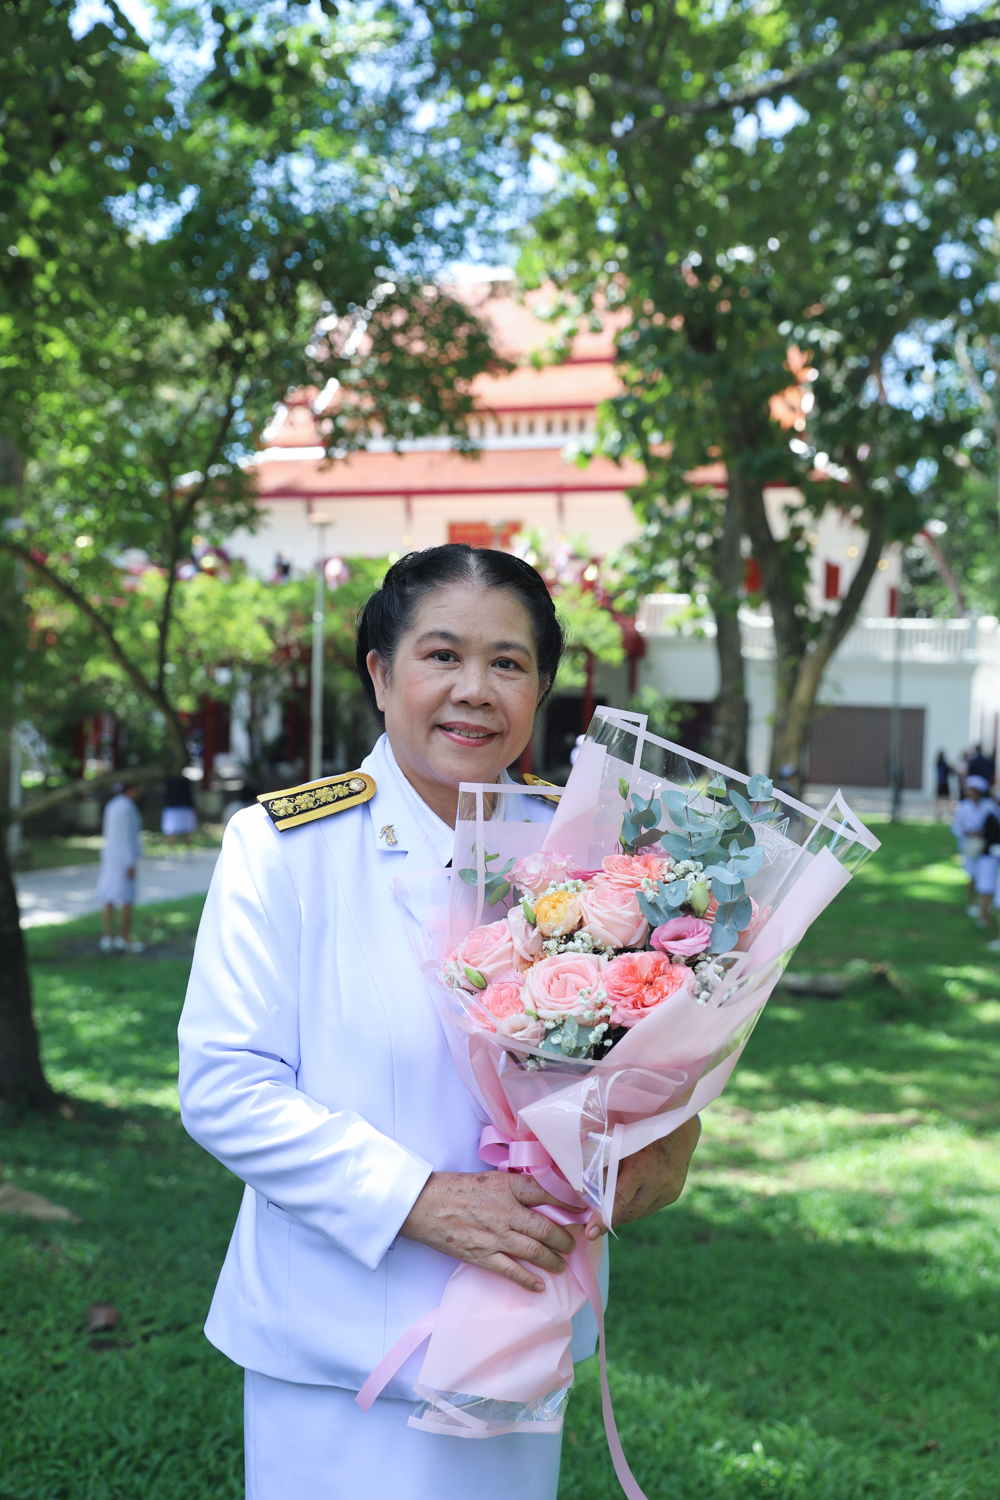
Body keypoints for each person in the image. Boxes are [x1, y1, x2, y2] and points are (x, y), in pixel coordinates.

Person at [177, 545, 701, 1500]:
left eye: (508, 663)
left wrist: (667, 1136)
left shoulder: (586, 856)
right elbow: (227, 1088)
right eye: (442, 655)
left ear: (540, 689)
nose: (474, 690)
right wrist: (418, 1199)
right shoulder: (288, 848)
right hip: (336, 1351)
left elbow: (641, 1052)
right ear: (381, 674)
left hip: (519, 1335)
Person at [97, 782, 145, 953]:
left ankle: (107, 936)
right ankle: (123, 937)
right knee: (126, 898)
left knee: (108, 896)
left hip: (110, 855)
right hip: (123, 858)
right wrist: (129, 862)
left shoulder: (113, 804)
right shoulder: (127, 807)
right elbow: (127, 836)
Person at [951, 774, 1000, 928]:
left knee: (985, 879)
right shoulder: (963, 806)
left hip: (987, 848)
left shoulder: (988, 806)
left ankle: (982, 907)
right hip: (971, 847)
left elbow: (992, 826)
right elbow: (956, 827)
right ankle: (972, 903)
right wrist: (968, 833)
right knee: (972, 875)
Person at [162, 773, 197, 854]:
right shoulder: (171, 781)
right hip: (174, 808)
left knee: (187, 830)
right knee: (171, 830)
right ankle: (171, 850)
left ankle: (187, 850)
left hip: (182, 807)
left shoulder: (183, 781)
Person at [935, 751, 955, 820]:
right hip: (943, 782)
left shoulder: (938, 762)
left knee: (939, 798)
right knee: (946, 798)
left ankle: (938, 812)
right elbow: (950, 770)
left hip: (940, 782)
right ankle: (949, 811)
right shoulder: (943, 763)